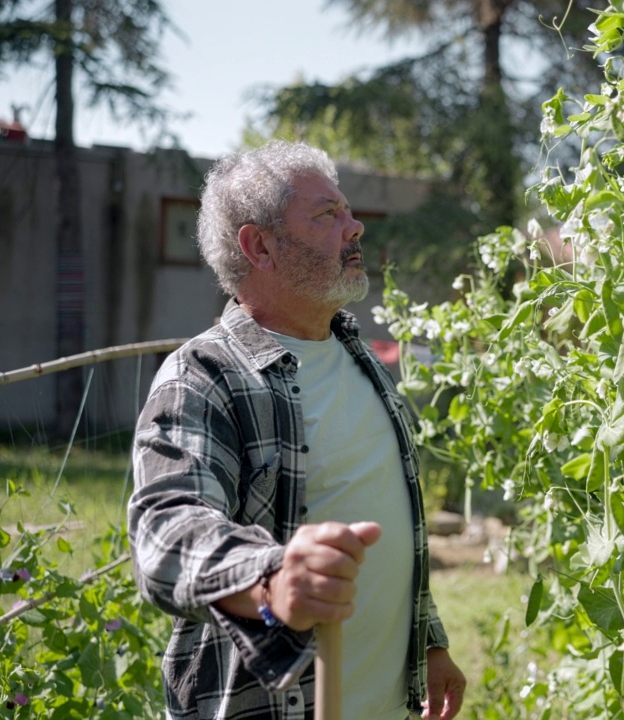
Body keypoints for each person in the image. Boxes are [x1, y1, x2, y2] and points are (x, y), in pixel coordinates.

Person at [128, 140, 465, 719]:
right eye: (326, 215)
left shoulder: (357, 356)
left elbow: (382, 512)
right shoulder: (206, 375)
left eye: (348, 210)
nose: (354, 227)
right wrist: (269, 580)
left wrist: (427, 640)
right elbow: (163, 532)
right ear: (260, 246)